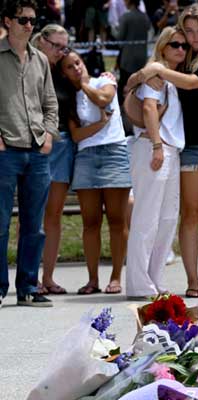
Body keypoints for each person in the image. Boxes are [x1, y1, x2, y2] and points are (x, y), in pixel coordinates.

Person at [131, 4, 198, 298]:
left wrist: (158, 70)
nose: (192, 37)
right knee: (189, 215)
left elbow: (194, 84)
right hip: (189, 146)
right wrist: (148, 72)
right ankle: (192, 281)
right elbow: (140, 89)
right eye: (186, 31)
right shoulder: (176, 62)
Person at [0, 0, 57, 307]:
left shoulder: (40, 60)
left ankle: (28, 287)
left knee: (34, 225)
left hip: (37, 151)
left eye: (33, 20)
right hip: (4, 151)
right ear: (7, 20)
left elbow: (50, 103)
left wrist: (48, 135)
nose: (29, 25)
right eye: (22, 19)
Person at [60, 50, 130, 295]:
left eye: (77, 62)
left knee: (116, 219)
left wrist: (84, 84)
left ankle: (116, 276)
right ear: (63, 73)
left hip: (114, 152)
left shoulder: (105, 80)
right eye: (69, 67)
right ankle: (92, 279)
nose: (76, 68)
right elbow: (77, 135)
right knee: (90, 222)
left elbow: (103, 99)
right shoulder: (69, 98)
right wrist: (100, 124)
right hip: (86, 157)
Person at [125, 27, 187, 299]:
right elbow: (149, 108)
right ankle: (139, 283)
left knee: (167, 219)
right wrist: (157, 145)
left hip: (171, 149)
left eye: (184, 46)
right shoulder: (154, 73)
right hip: (153, 147)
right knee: (146, 218)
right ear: (163, 46)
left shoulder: (170, 78)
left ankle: (154, 278)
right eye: (175, 44)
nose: (180, 50)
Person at [31, 24, 70, 296]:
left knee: (53, 215)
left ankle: (49, 277)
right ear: (42, 40)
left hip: (62, 145)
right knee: (32, 215)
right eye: (55, 45)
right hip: (33, 144)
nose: (60, 51)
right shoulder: (28, 63)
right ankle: (30, 276)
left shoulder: (63, 68)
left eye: (63, 47)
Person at [115, 0, 151, 106]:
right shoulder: (145, 17)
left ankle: (121, 106)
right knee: (139, 84)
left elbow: (120, 38)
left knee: (124, 83)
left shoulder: (126, 17)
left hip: (127, 57)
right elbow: (149, 29)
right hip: (141, 57)